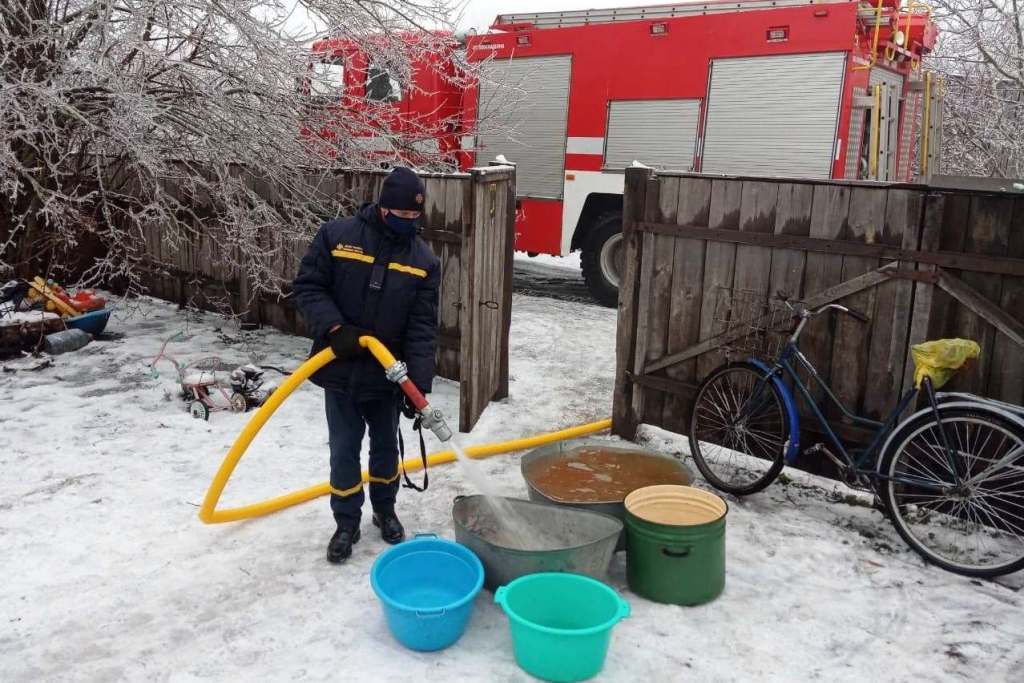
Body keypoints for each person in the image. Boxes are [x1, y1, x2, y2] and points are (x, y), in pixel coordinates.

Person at [293, 167, 440, 564]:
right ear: (383, 208)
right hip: (340, 367)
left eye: (415, 217)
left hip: (386, 375)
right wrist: (334, 327)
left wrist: (418, 385)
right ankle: (346, 522)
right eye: (402, 215)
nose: (409, 222)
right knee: (344, 449)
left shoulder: (423, 260)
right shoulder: (337, 236)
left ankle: (385, 510)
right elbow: (308, 286)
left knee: (386, 448)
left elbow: (422, 327)